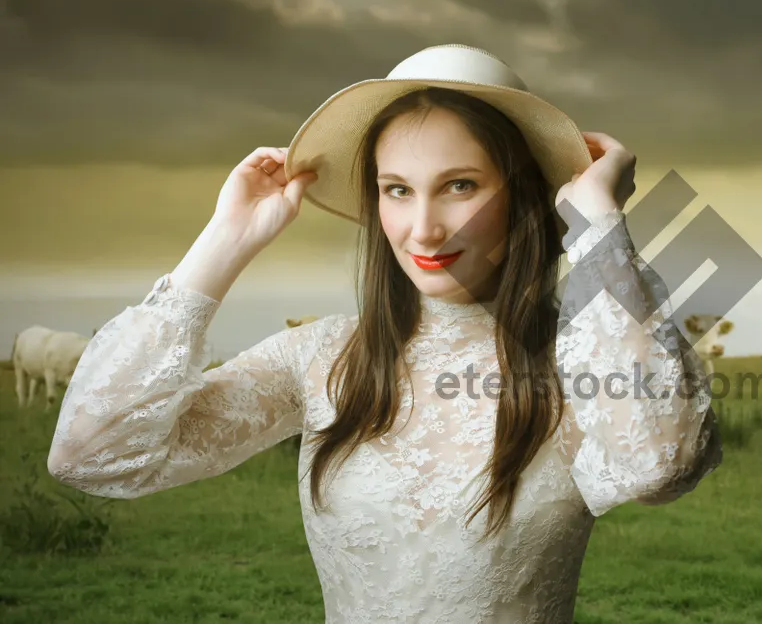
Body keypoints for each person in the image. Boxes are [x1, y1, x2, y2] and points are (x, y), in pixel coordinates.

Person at [46, 44, 722, 623]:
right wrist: (224, 243)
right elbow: (92, 453)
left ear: (520, 196)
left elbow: (659, 463)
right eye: (397, 189)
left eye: (459, 185)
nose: (422, 228)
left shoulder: (576, 367)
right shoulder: (320, 358)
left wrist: (598, 223)